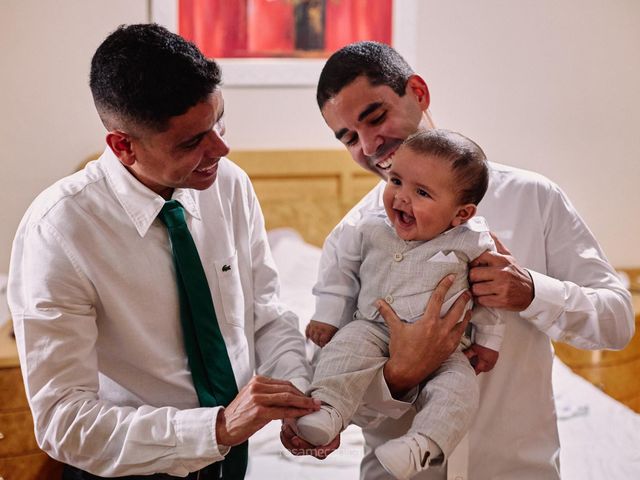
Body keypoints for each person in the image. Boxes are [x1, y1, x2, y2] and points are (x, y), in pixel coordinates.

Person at [281, 41, 634, 480]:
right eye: (349, 138)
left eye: (375, 117)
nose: (370, 144)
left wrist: (531, 292)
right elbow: (336, 393)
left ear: (419, 92)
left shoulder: (532, 199)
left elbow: (618, 322)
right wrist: (398, 375)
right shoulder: (353, 237)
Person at [7, 24, 319, 479]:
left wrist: (296, 397)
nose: (221, 148)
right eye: (192, 141)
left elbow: (265, 314)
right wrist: (214, 427)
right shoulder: (58, 230)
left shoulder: (229, 186)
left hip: (232, 459)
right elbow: (62, 421)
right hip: (130, 467)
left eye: (219, 121)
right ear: (122, 146)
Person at [297, 129, 504, 480]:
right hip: (371, 328)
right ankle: (329, 409)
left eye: (421, 192)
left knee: (460, 390)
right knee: (342, 352)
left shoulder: (471, 242)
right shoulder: (367, 228)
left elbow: (489, 294)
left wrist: (488, 341)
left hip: (450, 348)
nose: (401, 198)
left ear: (461, 214)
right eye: (396, 180)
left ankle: (422, 444)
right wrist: (328, 317)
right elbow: (339, 275)